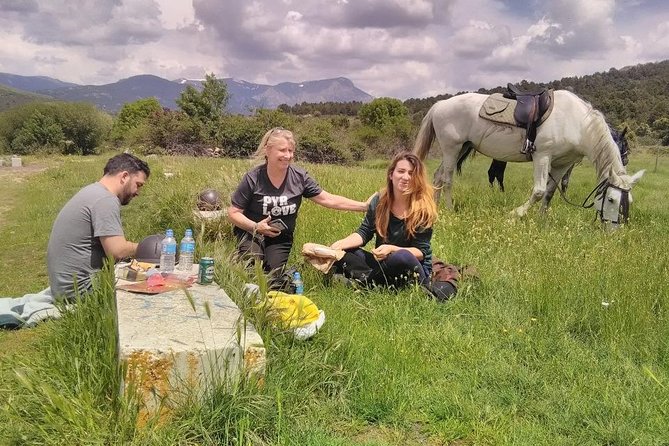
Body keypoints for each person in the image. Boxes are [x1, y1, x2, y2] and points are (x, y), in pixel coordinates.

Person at [227, 127, 368, 275]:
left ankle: (290, 275)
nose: (287, 155)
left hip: (280, 238)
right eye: (282, 150)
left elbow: (328, 199)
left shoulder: (299, 177)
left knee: (273, 279)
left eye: (290, 151)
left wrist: (364, 206)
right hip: (252, 233)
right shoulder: (253, 178)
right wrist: (256, 226)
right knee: (252, 270)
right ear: (267, 150)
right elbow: (233, 213)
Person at [330, 152, 452, 298]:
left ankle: (366, 283)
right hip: (382, 263)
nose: (406, 177)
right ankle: (375, 283)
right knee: (348, 252)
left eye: (411, 173)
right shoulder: (380, 200)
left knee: (401, 256)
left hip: (411, 267)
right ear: (391, 174)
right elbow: (364, 232)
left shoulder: (423, 208)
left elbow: (421, 252)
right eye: (401, 171)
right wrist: (339, 245)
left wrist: (391, 249)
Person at [47, 153, 150, 300]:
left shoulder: (92, 191)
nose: (138, 192)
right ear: (124, 176)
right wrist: (147, 248)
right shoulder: (105, 200)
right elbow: (117, 251)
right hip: (80, 290)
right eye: (138, 185)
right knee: (152, 283)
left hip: (64, 287)